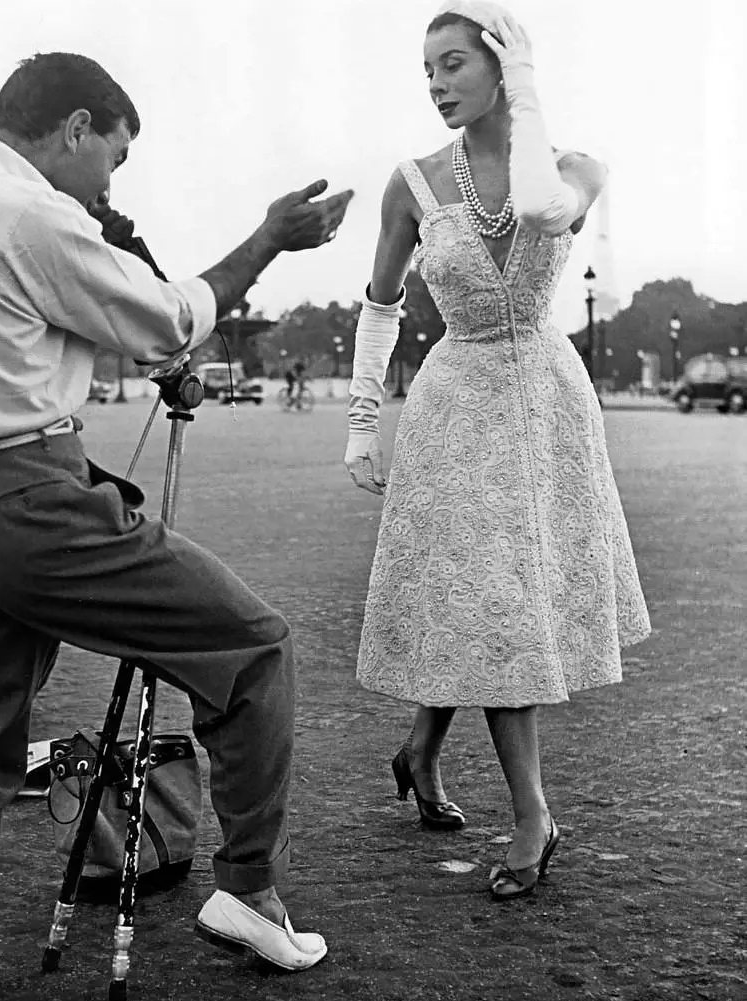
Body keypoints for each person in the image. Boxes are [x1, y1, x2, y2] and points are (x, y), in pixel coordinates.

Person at [0, 51, 353, 990]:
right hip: (27, 502)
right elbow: (167, 318)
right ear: (72, 129)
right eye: (112, 154)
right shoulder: (29, 211)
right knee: (254, 647)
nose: (111, 180)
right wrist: (269, 238)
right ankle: (247, 889)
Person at [344, 0, 651, 901]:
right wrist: (364, 418)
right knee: (484, 594)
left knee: (499, 596)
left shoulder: (573, 167)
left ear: (504, 66)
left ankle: (420, 748)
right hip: (455, 402)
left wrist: (526, 93)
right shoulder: (410, 181)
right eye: (427, 70)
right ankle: (533, 815)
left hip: (549, 402)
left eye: (454, 65)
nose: (437, 84)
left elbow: (543, 211)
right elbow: (379, 303)